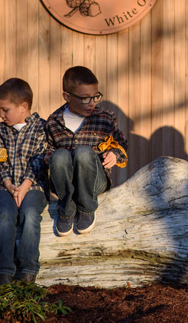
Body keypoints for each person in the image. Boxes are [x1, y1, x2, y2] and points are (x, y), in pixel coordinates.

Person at [45, 66, 128, 237]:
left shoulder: (105, 118)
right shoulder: (53, 122)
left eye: (95, 97)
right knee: (59, 155)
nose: (92, 103)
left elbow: (121, 143)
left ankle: (86, 208)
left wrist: (114, 153)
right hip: (64, 184)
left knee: (83, 152)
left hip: (94, 182)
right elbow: (46, 151)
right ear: (67, 96)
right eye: (85, 99)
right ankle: (66, 209)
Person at [0, 78, 48, 284]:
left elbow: (41, 159)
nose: (1, 114)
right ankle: (5, 270)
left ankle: (28, 270)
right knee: (6, 216)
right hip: (7, 187)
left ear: (24, 106)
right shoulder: (0, 130)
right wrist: (8, 184)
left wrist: (25, 186)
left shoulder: (42, 128)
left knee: (30, 214)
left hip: (35, 187)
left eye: (5, 109)